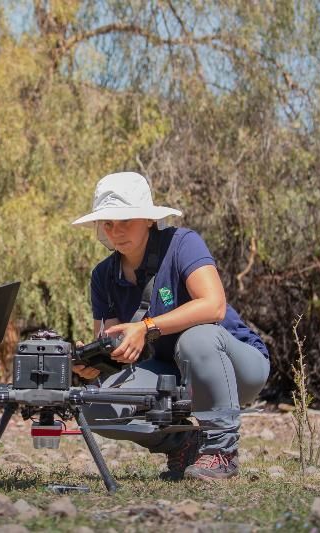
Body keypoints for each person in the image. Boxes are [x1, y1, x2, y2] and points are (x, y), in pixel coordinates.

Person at [70, 172, 270, 481]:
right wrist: (95, 363)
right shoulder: (103, 276)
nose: (115, 232)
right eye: (108, 223)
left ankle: (221, 449)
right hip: (172, 375)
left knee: (196, 338)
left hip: (235, 367)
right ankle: (184, 445)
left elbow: (213, 305)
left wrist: (146, 327)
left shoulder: (182, 243)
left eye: (125, 221)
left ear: (149, 219)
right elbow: (116, 345)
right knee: (93, 407)